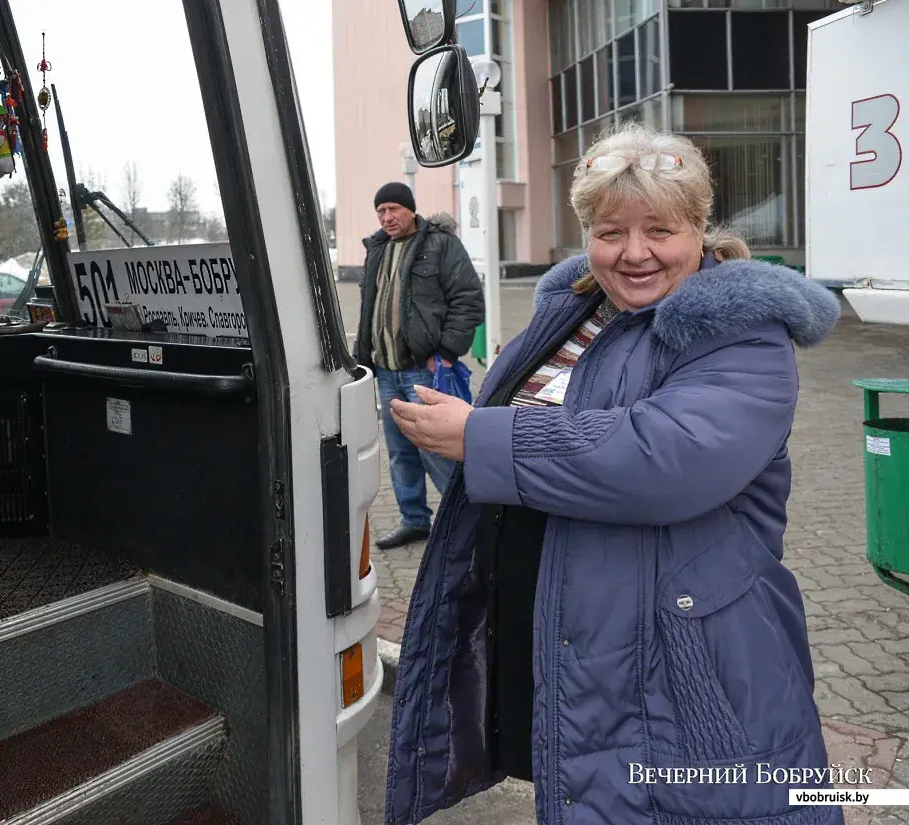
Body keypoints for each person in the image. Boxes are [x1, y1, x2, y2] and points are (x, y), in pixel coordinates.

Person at [382, 123, 844, 825]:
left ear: (699, 229)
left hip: (691, 670)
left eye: (659, 229)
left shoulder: (743, 331)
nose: (633, 254)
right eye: (609, 231)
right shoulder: (572, 312)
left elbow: (662, 456)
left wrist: (481, 437)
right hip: (585, 650)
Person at [353, 181, 483, 550]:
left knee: (438, 451)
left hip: (424, 371)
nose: (387, 217)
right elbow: (368, 311)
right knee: (400, 453)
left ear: (411, 209)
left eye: (393, 208)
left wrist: (446, 351)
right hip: (387, 372)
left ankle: (466, 523)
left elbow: (468, 298)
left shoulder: (440, 244)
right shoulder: (376, 250)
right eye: (380, 211)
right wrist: (363, 360)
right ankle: (414, 521)